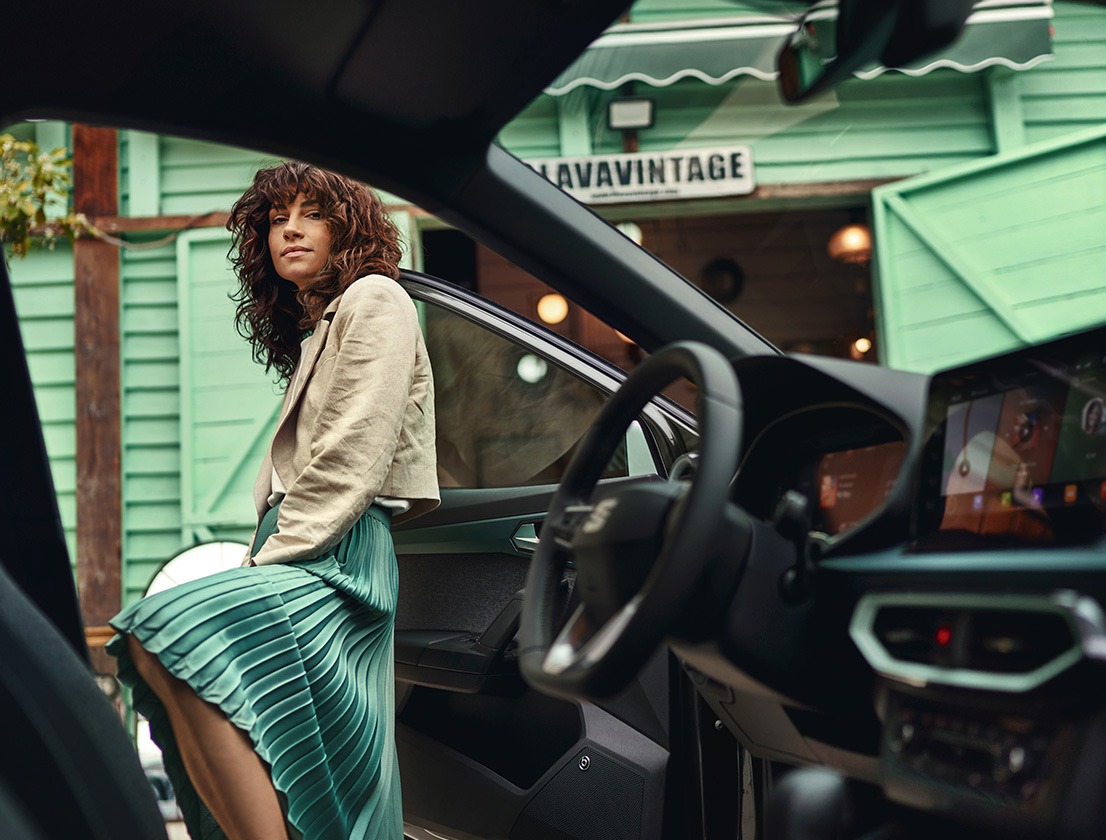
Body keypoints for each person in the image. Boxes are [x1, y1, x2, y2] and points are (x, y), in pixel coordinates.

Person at [108, 162, 439, 840]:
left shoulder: (377, 299)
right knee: (158, 655)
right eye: (275, 217)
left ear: (346, 224)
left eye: (310, 212)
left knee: (168, 633)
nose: (288, 228)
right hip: (301, 547)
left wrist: (269, 562)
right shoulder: (321, 326)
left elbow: (352, 457)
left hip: (336, 558)